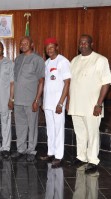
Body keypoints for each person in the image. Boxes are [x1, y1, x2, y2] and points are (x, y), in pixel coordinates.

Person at [68, 34, 111, 173]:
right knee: (79, 132)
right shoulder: (74, 60)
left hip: (92, 106)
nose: (82, 45)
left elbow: (106, 83)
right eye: (80, 43)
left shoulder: (100, 60)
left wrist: (99, 104)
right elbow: (71, 83)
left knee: (92, 133)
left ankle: (93, 160)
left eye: (85, 42)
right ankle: (81, 156)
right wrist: (69, 102)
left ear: (91, 44)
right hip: (76, 105)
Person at [11, 36, 45, 162]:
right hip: (18, 100)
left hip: (31, 101)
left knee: (32, 126)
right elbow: (14, 81)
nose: (23, 45)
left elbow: (41, 81)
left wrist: (37, 100)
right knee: (20, 126)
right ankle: (21, 149)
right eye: (21, 43)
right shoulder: (18, 59)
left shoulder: (38, 60)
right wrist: (12, 98)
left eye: (26, 43)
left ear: (32, 44)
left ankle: (31, 150)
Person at [41, 38, 71, 168]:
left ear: (57, 47)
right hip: (47, 103)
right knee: (50, 130)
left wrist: (61, 103)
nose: (49, 49)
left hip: (58, 103)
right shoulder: (46, 62)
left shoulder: (63, 61)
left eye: (51, 47)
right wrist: (43, 101)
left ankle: (59, 156)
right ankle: (51, 152)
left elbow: (67, 83)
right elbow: (46, 84)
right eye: (47, 47)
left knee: (58, 129)